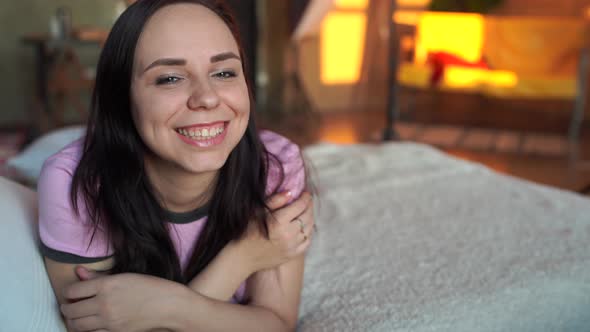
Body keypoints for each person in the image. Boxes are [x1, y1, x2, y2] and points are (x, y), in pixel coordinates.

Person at [38, 1, 315, 331]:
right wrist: (244, 257)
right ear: (121, 97)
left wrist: (168, 307)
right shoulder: (76, 185)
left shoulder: (274, 167)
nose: (207, 98)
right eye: (170, 78)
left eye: (224, 72)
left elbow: (276, 324)